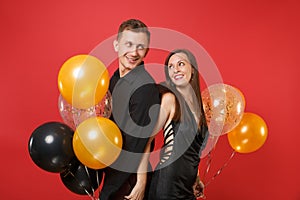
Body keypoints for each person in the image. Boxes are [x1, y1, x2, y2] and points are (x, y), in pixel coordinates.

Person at [99, 19, 160, 200]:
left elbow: (135, 146)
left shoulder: (144, 88)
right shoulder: (114, 79)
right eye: (129, 44)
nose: (134, 52)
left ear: (147, 50)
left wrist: (108, 191)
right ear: (116, 45)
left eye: (140, 46)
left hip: (127, 182)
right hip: (113, 172)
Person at [148, 49, 209, 200]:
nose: (175, 69)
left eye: (181, 64)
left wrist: (196, 179)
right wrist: (141, 182)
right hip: (167, 185)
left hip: (188, 186)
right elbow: (145, 141)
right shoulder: (170, 99)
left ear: (192, 70)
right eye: (170, 66)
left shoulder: (199, 108)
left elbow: (192, 149)